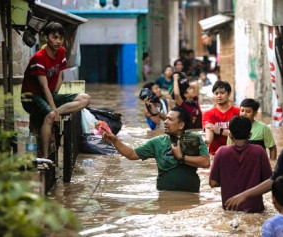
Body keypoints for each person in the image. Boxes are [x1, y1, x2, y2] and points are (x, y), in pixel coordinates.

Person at [21, 22, 90, 159]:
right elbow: (43, 87)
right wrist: (53, 110)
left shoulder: (61, 52)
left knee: (85, 98)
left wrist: (55, 102)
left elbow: (59, 75)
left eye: (61, 38)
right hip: (31, 97)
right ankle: (46, 158)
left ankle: (56, 112)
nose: (58, 41)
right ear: (46, 38)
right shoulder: (39, 58)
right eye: (55, 37)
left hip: (48, 93)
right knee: (51, 116)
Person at [102, 106, 210, 192]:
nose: (166, 122)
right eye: (166, 118)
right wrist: (115, 141)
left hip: (190, 194)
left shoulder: (194, 139)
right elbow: (132, 154)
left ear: (181, 125)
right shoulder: (157, 142)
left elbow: (206, 162)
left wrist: (181, 158)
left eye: (170, 119)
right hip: (165, 194)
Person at [209, 116, 272, 212]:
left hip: (229, 209)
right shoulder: (259, 151)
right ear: (250, 135)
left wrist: (229, 181)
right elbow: (269, 181)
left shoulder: (221, 151)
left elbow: (212, 183)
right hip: (254, 210)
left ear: (230, 135)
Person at [202, 81, 240, 155]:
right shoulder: (208, 114)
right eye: (216, 93)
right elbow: (209, 129)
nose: (219, 96)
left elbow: (239, 134)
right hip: (215, 153)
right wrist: (207, 141)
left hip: (235, 153)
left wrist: (220, 131)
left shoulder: (238, 112)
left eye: (222, 93)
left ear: (228, 94)